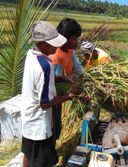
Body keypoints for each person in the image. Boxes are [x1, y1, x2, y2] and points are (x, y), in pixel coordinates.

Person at [21, 21, 78, 167]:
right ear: (43, 44)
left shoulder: (32, 54)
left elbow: (41, 82)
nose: (57, 46)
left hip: (28, 120)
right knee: (42, 162)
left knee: (28, 153)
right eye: (54, 43)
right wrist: (70, 96)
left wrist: (63, 77)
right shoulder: (45, 66)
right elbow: (45, 103)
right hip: (39, 127)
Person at [49, 18, 83, 141]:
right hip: (51, 99)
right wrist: (69, 81)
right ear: (64, 37)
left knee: (56, 128)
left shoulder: (69, 51)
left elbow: (79, 69)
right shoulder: (55, 54)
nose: (76, 42)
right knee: (51, 129)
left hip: (60, 98)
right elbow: (54, 78)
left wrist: (87, 79)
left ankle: (52, 149)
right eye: (74, 38)